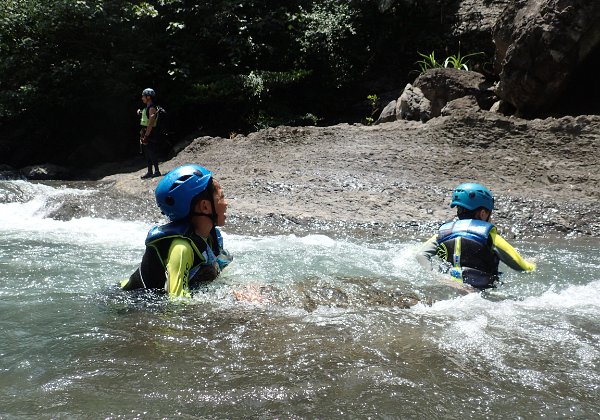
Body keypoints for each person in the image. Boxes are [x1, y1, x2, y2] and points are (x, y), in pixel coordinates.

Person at [121, 164, 233, 298]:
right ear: (204, 206)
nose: (226, 203)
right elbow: (176, 302)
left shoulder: (211, 237)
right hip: (128, 303)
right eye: (221, 197)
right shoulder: (181, 248)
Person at [416, 182, 536, 290]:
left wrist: (437, 277)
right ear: (483, 213)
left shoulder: (443, 233)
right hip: (480, 295)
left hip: (448, 287)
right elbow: (522, 267)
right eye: (490, 213)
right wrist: (533, 265)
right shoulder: (489, 236)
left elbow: (421, 255)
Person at [138, 88, 161, 179]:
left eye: (143, 96)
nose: (142, 98)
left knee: (151, 152)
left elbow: (151, 123)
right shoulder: (147, 107)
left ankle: (157, 171)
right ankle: (149, 171)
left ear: (148, 97)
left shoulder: (152, 108)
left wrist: (146, 136)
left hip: (150, 132)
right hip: (145, 131)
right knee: (147, 152)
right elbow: (146, 118)